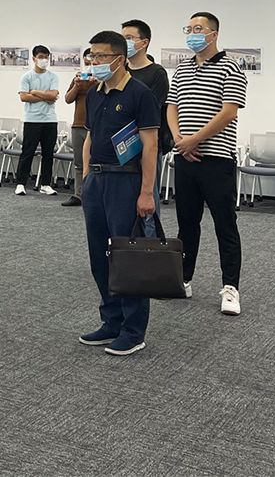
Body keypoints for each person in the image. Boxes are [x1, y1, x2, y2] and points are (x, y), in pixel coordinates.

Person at [77, 30, 159, 356]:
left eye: (100, 56)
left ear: (120, 59)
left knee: (128, 257)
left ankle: (133, 330)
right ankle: (110, 321)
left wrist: (147, 192)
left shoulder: (140, 94)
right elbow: (90, 137)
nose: (94, 62)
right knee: (100, 256)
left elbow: (150, 145)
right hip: (96, 182)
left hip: (126, 182)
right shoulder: (95, 93)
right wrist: (86, 177)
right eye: (91, 56)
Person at [166, 11, 247, 314]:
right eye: (188, 29)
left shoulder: (230, 67)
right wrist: (179, 139)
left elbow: (229, 112)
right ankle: (183, 279)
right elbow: (172, 106)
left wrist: (195, 139)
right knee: (187, 224)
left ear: (213, 34)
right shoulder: (182, 68)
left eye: (198, 29)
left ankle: (230, 288)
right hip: (185, 157)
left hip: (216, 159)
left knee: (225, 225)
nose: (192, 34)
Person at [122, 19, 171, 234]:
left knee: (148, 202)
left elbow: (150, 112)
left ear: (144, 42)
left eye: (129, 38)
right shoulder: (120, 71)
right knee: (124, 205)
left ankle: (149, 248)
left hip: (146, 146)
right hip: (120, 148)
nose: (124, 43)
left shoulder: (156, 73)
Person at [15, 45, 59, 196]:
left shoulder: (53, 76)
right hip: (32, 120)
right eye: (41, 57)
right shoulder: (27, 77)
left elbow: (53, 95)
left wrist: (34, 92)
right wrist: (45, 96)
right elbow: (23, 97)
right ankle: (21, 183)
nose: (44, 60)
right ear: (34, 59)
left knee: (48, 153)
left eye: (46, 57)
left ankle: (45, 184)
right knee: (27, 152)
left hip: (50, 120)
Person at [61, 48, 96, 207]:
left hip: (95, 126)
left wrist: (96, 82)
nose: (89, 64)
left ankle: (93, 194)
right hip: (78, 125)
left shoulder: (103, 80)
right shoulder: (78, 78)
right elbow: (68, 99)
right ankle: (78, 194)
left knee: (95, 162)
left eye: (92, 60)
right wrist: (76, 85)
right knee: (79, 163)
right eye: (87, 61)